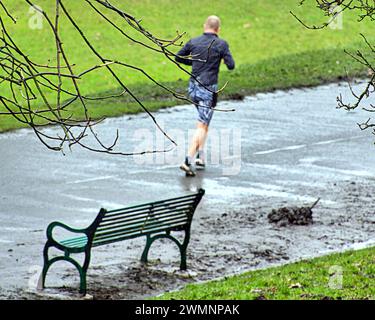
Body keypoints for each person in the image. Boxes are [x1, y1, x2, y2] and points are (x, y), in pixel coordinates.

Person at [175, 15, 235, 176]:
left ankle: (201, 157)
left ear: (205, 26)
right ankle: (187, 159)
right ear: (218, 29)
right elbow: (231, 65)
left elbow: (178, 56)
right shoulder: (221, 44)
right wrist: (220, 59)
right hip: (208, 89)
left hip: (193, 88)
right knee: (202, 124)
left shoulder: (194, 41)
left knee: (204, 121)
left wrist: (194, 63)